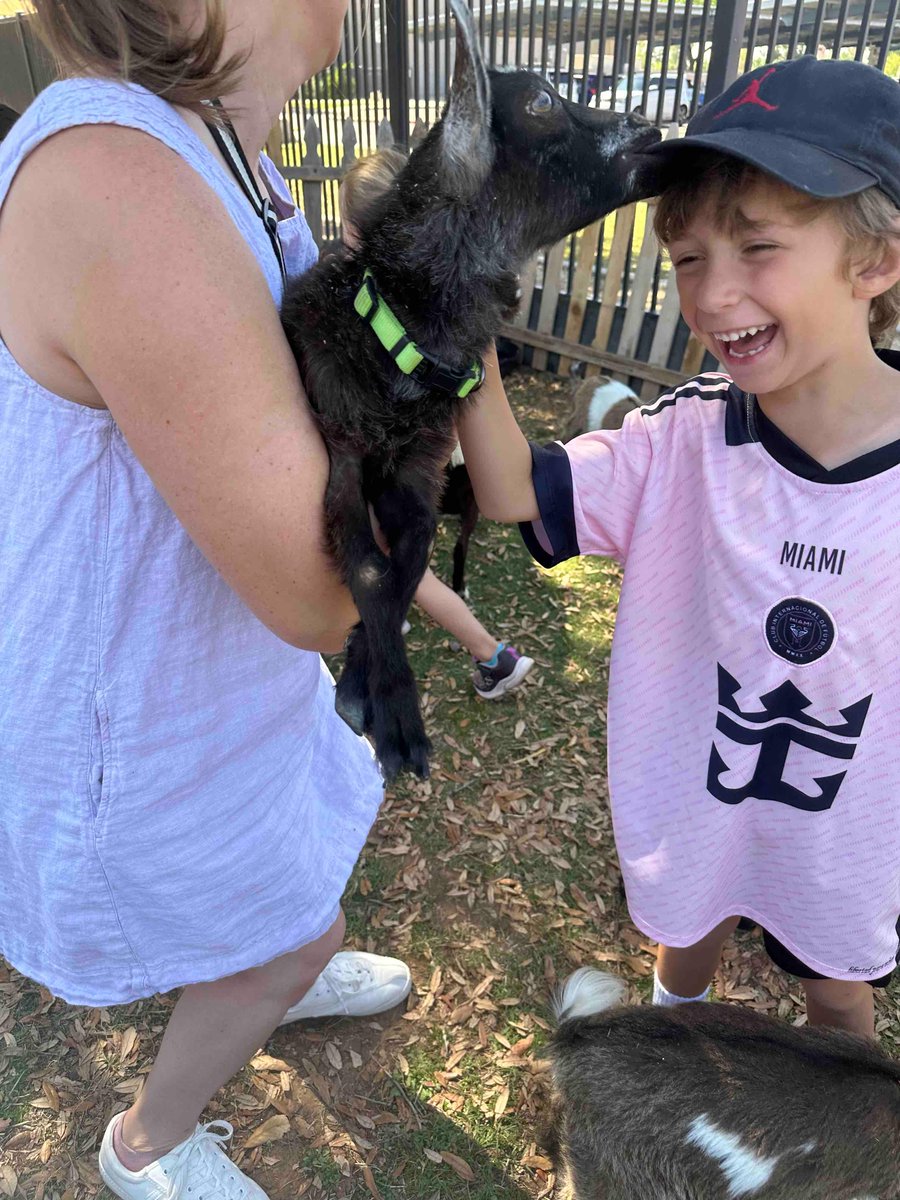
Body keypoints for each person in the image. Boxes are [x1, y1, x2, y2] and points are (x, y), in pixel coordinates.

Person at [0, 3, 414, 1197]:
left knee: (293, 888)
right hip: (134, 727)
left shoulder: (215, 153)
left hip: (213, 685)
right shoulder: (124, 179)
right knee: (300, 935)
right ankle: (147, 1147)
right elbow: (321, 591)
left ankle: (261, 963)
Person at [457, 55, 900, 1040]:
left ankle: (846, 1143)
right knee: (686, 935)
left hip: (848, 832)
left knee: (836, 996)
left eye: (756, 246)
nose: (711, 293)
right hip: (700, 800)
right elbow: (512, 491)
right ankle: (670, 1035)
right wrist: (466, 336)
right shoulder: (686, 439)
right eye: (689, 257)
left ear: (874, 262)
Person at [338, 149, 535, 699]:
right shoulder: (439, 296)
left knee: (402, 570)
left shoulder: (366, 306)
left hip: (388, 467)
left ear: (358, 233)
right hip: (428, 462)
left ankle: (492, 655)